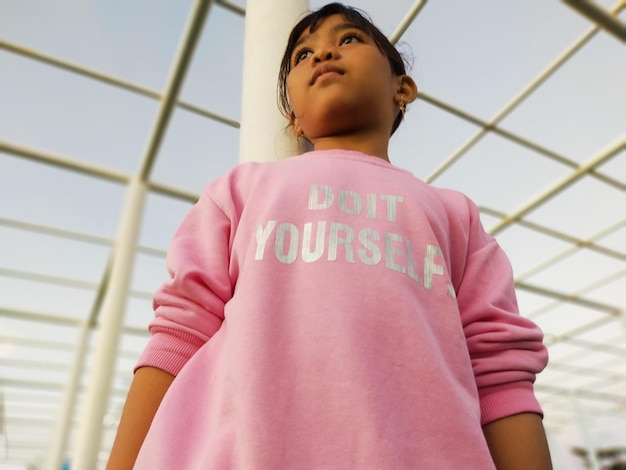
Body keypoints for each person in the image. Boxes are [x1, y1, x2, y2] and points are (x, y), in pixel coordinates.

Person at [108, 3, 552, 469]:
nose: (321, 55)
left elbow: (500, 370)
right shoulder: (238, 193)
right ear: (295, 119)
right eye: (302, 55)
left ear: (403, 88)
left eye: (347, 40)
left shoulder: (454, 214)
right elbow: (180, 332)